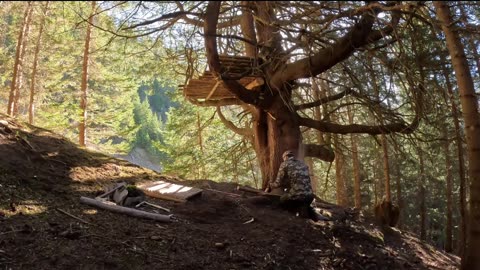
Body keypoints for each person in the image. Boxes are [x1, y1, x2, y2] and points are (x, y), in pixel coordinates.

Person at [265, 150, 319, 221]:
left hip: (297, 196)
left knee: (282, 200)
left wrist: (269, 185)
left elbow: (278, 183)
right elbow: (300, 179)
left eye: (283, 158)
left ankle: (294, 217)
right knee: (303, 202)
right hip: (310, 196)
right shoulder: (303, 164)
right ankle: (309, 213)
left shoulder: (285, 164)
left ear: (286, 157)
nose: (283, 160)